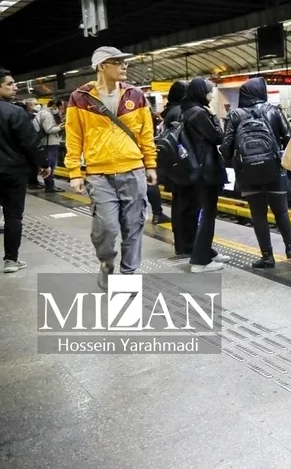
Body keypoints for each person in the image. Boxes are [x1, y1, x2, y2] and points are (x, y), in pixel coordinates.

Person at [65, 47, 158, 289]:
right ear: (101, 66)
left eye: (124, 62)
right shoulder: (80, 97)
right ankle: (106, 262)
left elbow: (146, 134)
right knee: (106, 227)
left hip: (133, 170)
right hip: (99, 174)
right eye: (117, 62)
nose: (124, 66)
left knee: (133, 225)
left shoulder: (135, 95)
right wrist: (75, 172)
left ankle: (129, 274)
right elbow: (74, 137)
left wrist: (150, 164)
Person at [222, 77, 291, 268]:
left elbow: (226, 148)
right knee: (281, 211)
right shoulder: (273, 111)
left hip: (247, 173)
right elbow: (289, 138)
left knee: (258, 215)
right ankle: (290, 245)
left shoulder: (235, 115)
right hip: (274, 169)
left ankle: (267, 257)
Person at [0, 70, 50, 272]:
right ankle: (11, 260)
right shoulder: (15, 112)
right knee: (13, 215)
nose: (15, 87)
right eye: (10, 84)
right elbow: (30, 142)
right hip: (12, 172)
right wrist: (43, 163)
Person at [180, 78, 227, 273]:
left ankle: (206, 252)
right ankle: (200, 262)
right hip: (205, 170)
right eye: (209, 91)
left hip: (194, 168)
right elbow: (218, 137)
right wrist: (215, 116)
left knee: (203, 213)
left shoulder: (186, 110)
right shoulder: (199, 113)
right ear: (201, 92)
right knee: (208, 214)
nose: (212, 95)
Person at [162, 81, 198, 257]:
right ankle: (186, 245)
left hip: (175, 166)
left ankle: (182, 244)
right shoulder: (179, 112)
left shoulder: (171, 111)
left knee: (180, 205)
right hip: (184, 166)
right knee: (187, 207)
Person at [37, 99, 64, 193]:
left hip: (49, 142)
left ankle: (50, 185)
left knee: (50, 164)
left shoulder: (43, 113)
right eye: (60, 108)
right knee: (51, 164)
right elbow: (48, 130)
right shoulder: (47, 115)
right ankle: (50, 186)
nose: (61, 110)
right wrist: (60, 127)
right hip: (49, 143)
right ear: (54, 106)